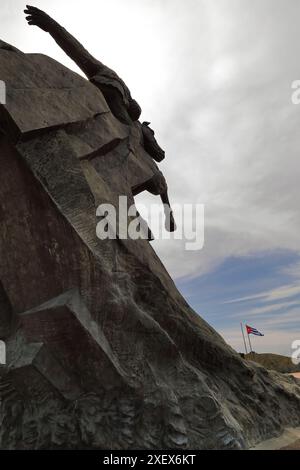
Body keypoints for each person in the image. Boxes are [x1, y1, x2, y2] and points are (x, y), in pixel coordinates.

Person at [24, 5, 176, 232]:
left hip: (121, 141)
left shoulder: (135, 129)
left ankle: (149, 216)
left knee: (139, 173)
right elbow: (77, 50)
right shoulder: (107, 78)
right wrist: (50, 25)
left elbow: (158, 155)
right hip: (100, 127)